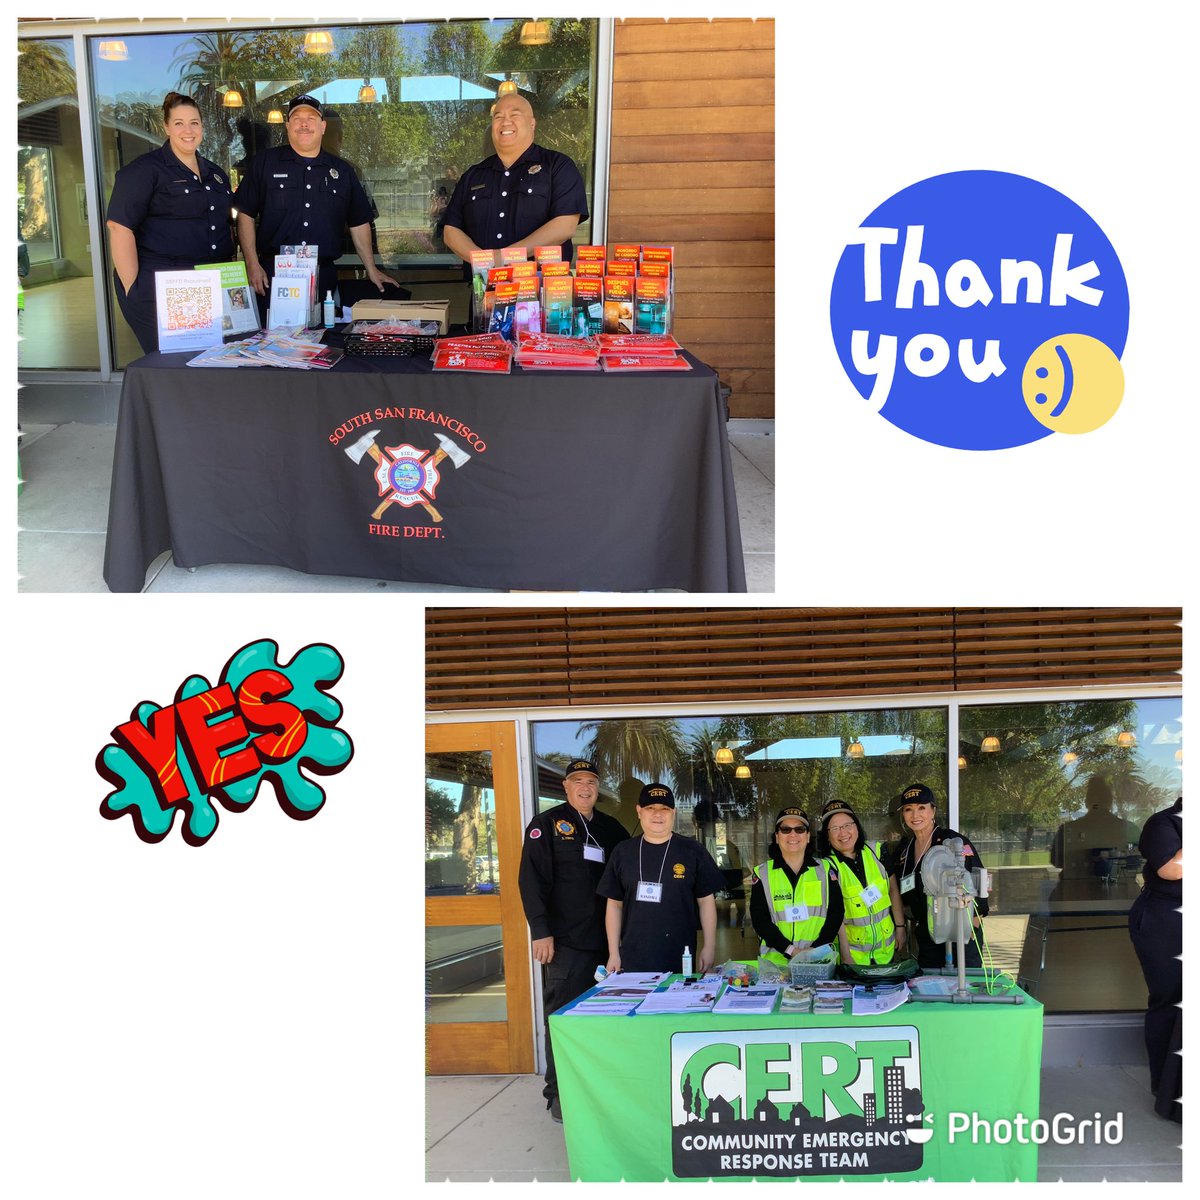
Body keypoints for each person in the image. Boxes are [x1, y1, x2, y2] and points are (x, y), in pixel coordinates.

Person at [517, 758, 629, 1123]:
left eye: (592, 782)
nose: (585, 787)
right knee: (564, 1021)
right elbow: (530, 881)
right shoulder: (546, 825)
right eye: (578, 781)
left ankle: (597, 1089)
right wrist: (540, 931)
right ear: (565, 787)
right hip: (565, 945)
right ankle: (559, 1095)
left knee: (606, 1021)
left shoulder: (612, 828)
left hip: (608, 945)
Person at [234, 95, 397, 317]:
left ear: (322, 127)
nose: (304, 123)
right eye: (297, 118)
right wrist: (252, 264)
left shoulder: (343, 171)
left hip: (323, 275)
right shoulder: (265, 163)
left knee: (322, 342)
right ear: (287, 126)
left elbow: (359, 223)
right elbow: (245, 213)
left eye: (311, 118)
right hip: (272, 275)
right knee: (272, 344)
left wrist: (372, 269)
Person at [105, 92, 235, 354]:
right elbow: (119, 227)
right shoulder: (144, 171)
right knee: (172, 366)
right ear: (166, 127)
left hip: (208, 285)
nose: (188, 130)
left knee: (209, 361)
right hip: (164, 288)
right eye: (179, 123)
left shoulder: (216, 174)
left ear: (202, 127)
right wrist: (133, 288)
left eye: (194, 122)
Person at [440, 93, 588, 272]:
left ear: (532, 124)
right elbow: (451, 231)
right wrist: (485, 262)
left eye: (514, 115)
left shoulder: (557, 166)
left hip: (543, 292)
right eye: (498, 117)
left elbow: (565, 226)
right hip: (486, 290)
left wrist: (504, 256)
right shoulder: (473, 176)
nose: (505, 122)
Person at [598, 782, 725, 975]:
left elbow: (706, 902)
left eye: (664, 809)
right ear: (639, 811)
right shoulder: (623, 852)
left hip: (681, 956)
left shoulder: (692, 851)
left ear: (673, 813)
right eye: (650, 808)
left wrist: (710, 946)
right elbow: (614, 905)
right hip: (633, 958)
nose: (658, 814)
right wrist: (614, 953)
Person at [889, 782, 989, 968]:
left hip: (958, 929)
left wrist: (974, 922)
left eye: (922, 808)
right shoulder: (905, 850)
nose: (915, 815)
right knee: (933, 986)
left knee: (965, 984)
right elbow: (894, 885)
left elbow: (975, 880)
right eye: (908, 809)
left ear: (933, 811)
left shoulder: (951, 842)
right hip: (927, 933)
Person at [1128, 795, 1182, 1122]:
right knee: (1171, 999)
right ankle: (1166, 1089)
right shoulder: (1162, 823)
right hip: (1164, 920)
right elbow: (1172, 869)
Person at [750, 806, 844, 968]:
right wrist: (791, 950)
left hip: (820, 961)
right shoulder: (762, 873)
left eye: (799, 829)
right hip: (776, 966)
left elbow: (836, 914)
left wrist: (814, 951)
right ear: (777, 837)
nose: (793, 834)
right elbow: (760, 921)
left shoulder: (826, 869)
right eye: (786, 830)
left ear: (807, 837)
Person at [816, 799, 906, 966]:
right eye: (835, 828)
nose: (843, 833)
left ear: (856, 826)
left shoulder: (878, 851)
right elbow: (837, 916)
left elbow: (893, 890)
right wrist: (846, 956)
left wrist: (900, 927)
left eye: (847, 825)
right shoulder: (827, 867)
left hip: (887, 951)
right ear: (827, 836)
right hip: (854, 956)